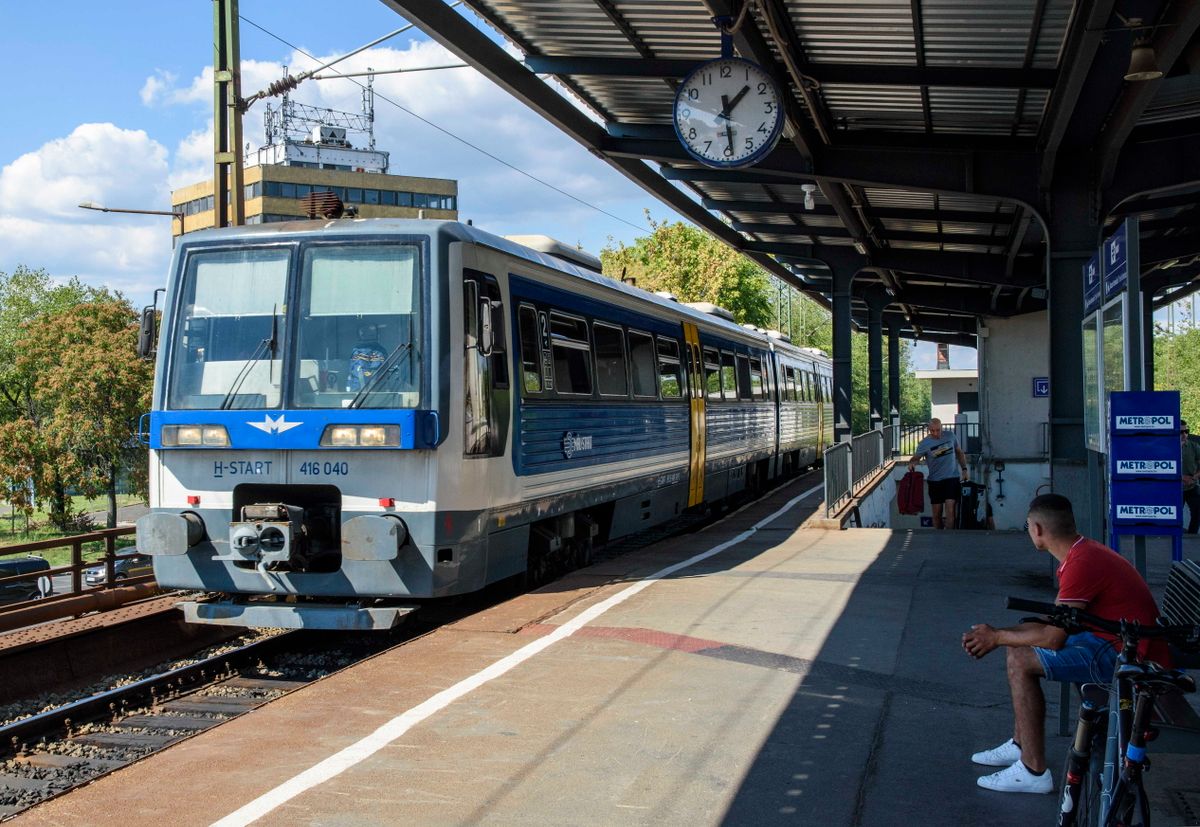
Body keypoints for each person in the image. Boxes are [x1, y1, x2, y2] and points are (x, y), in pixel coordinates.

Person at [961, 494, 1169, 794]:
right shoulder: (1081, 553)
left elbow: (1053, 638)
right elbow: (1057, 622)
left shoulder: (1081, 564)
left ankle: (1033, 770)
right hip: (1116, 645)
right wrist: (998, 634)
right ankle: (1021, 745)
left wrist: (995, 637)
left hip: (1131, 660)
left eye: (1028, 526)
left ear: (1039, 529)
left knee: (1021, 659)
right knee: (1018, 644)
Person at [907, 418, 969, 529]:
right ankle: (939, 537)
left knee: (950, 511)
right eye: (933, 431)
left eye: (938, 430)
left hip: (951, 478)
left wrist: (964, 469)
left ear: (942, 428)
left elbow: (959, 452)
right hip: (935, 481)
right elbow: (916, 458)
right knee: (937, 515)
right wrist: (912, 463)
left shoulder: (950, 436)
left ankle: (949, 539)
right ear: (929, 430)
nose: (936, 433)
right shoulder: (925, 443)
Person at [347, 325, 387, 393]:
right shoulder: (381, 351)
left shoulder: (356, 351)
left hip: (358, 395)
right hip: (377, 395)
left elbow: (353, 374)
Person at [1182, 420, 1200, 535]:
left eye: (1186, 431)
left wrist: (1194, 478)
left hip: (1191, 486)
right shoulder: (1167, 448)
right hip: (1174, 488)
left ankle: (1191, 536)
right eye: (1180, 432)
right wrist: (1182, 477)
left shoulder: (1194, 446)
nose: (1184, 434)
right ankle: (1175, 535)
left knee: (1197, 511)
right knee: (1174, 515)